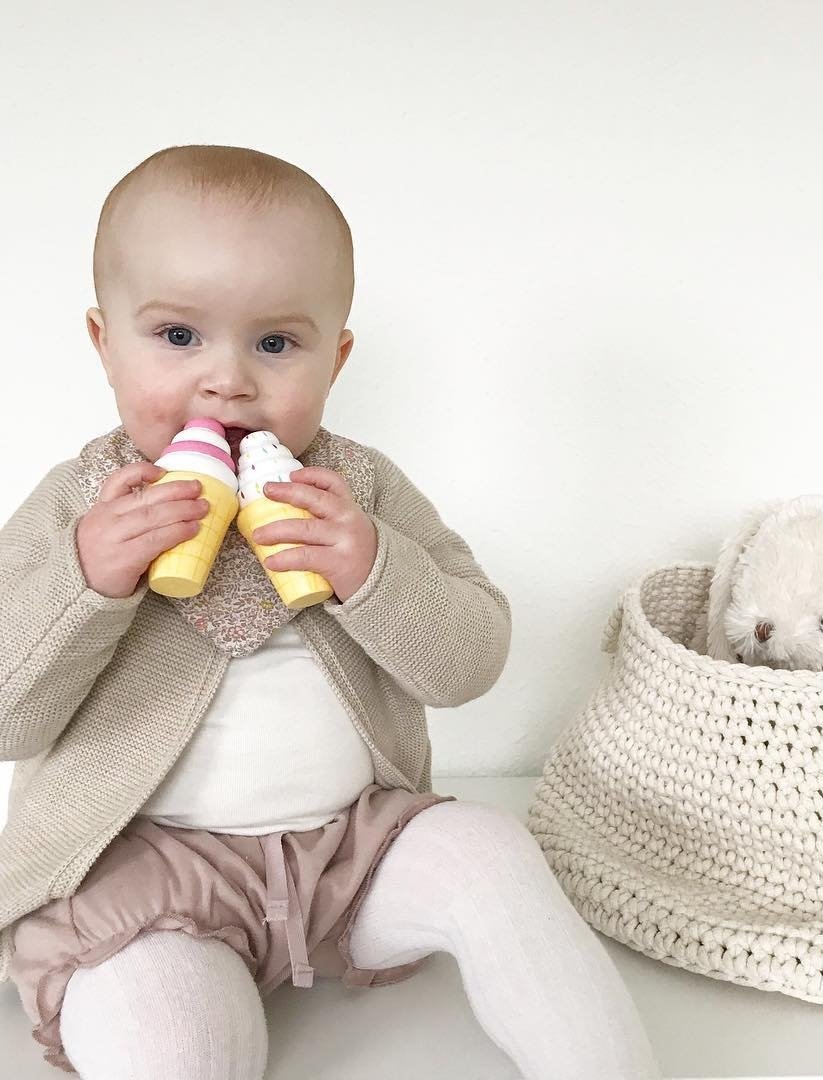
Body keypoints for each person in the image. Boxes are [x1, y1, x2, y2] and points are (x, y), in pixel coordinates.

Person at [0, 144, 661, 1079]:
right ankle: (183, 997)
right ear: (104, 342)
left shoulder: (356, 491)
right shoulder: (82, 504)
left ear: (335, 354)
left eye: (275, 343)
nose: (227, 380)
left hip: (352, 850)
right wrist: (87, 581)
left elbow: (470, 663)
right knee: (177, 1038)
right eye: (178, 336)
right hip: (141, 872)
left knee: (489, 852)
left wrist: (374, 572)